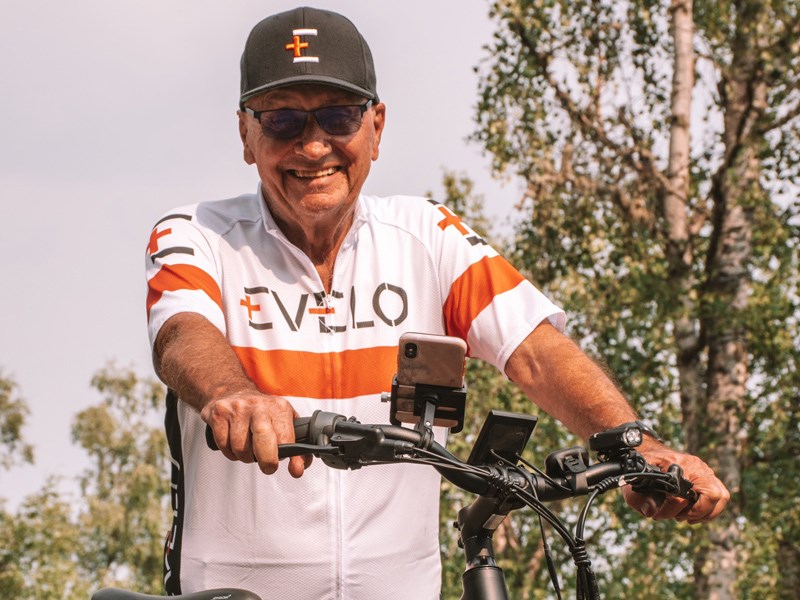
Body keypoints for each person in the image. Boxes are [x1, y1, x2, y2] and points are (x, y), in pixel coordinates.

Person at [145, 6, 729, 599]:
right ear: (246, 134)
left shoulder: (428, 235)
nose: (314, 144)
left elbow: (535, 352)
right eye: (282, 120)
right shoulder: (197, 234)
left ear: (376, 125)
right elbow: (183, 336)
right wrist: (232, 394)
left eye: (338, 116)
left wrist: (633, 444)